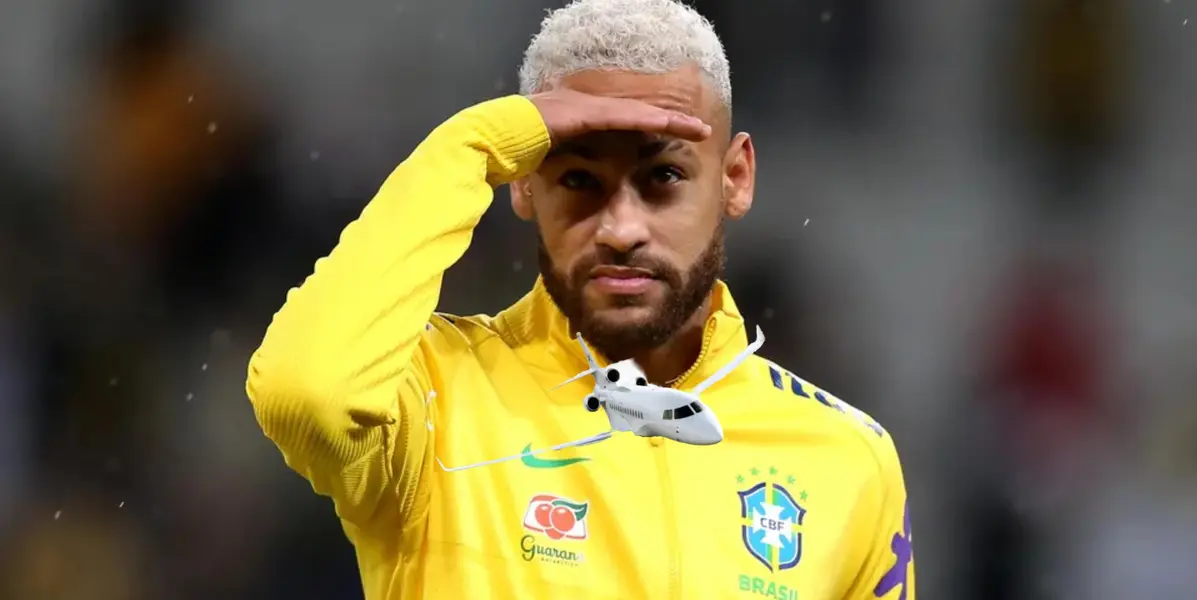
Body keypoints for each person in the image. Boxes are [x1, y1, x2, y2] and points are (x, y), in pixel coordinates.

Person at [247, 1, 915, 598]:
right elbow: (304, 395)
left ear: (734, 179)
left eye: (663, 177)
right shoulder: (433, 401)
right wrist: (475, 144)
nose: (621, 229)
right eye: (578, 178)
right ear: (523, 184)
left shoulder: (848, 459)